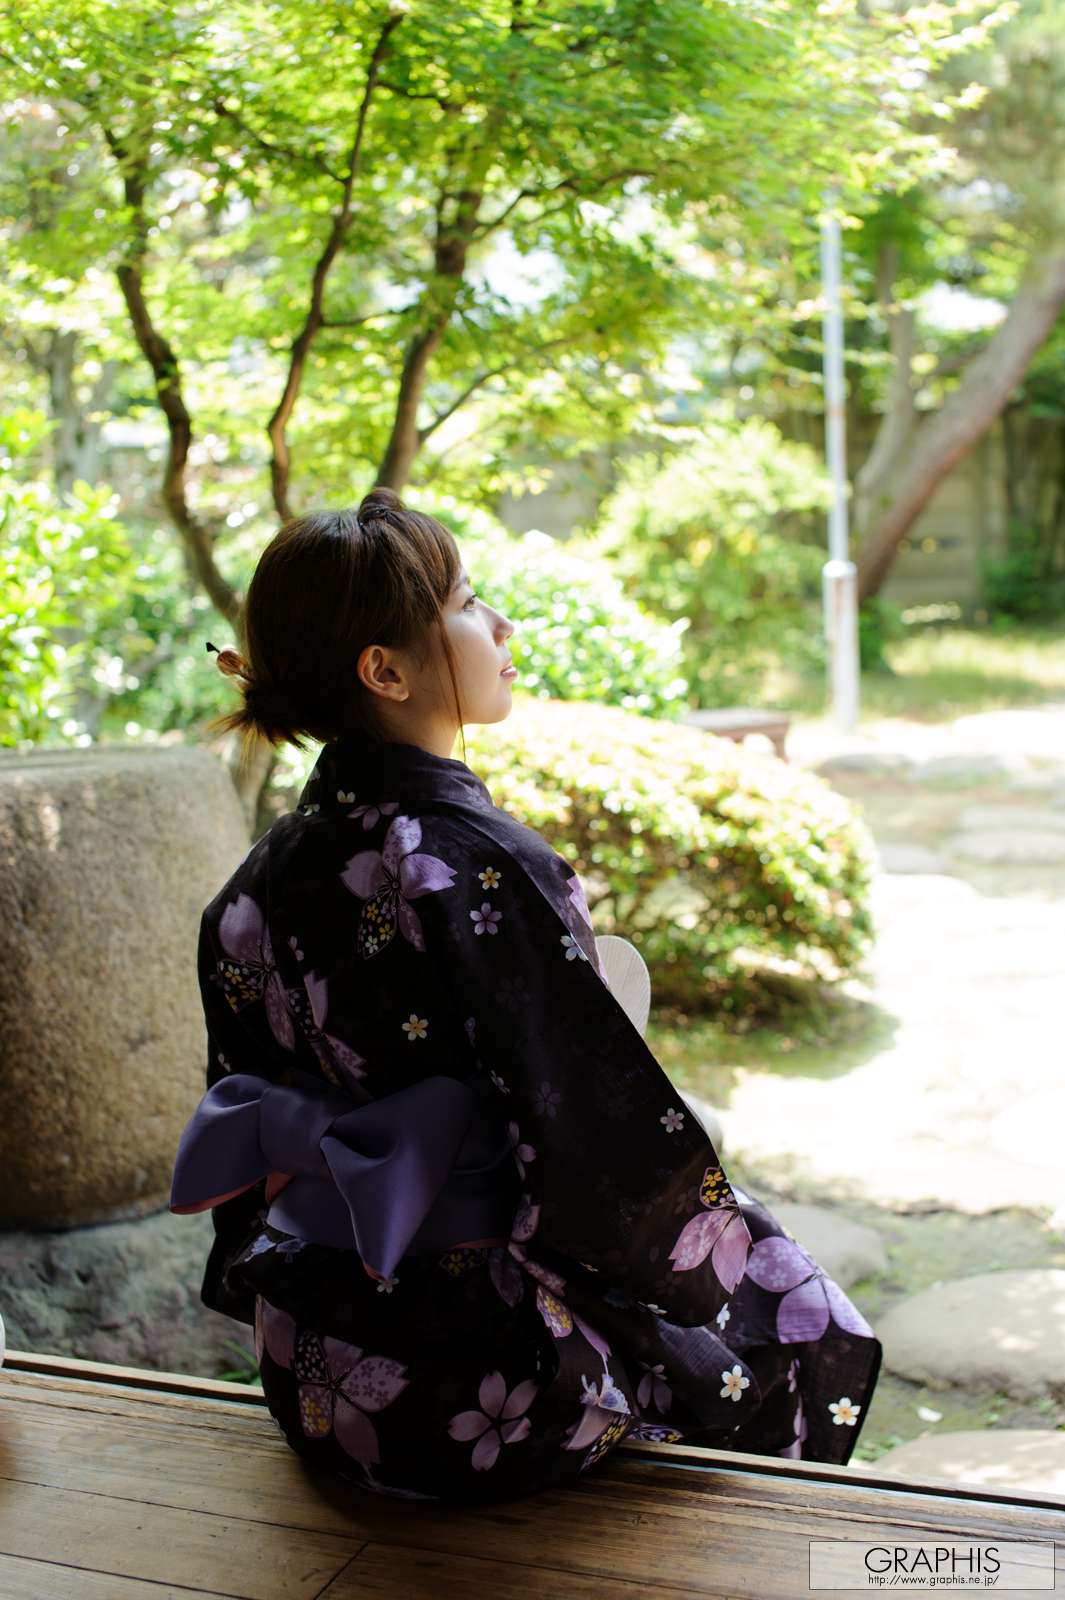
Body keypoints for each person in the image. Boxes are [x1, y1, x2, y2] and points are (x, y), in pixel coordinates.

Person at [169, 486, 882, 1505]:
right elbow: (595, 1148)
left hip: (320, 1375)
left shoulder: (260, 876)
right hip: (481, 1389)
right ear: (386, 670)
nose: (499, 624)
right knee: (787, 1333)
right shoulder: (469, 863)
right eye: (467, 603)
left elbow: (243, 1131)